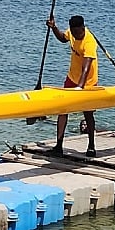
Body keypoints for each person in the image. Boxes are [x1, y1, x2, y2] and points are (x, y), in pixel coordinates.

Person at [46, 15, 98, 157]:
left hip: (88, 82)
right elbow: (63, 38)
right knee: (63, 110)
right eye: (73, 32)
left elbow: (86, 68)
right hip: (72, 77)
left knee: (88, 113)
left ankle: (92, 145)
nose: (75, 35)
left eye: (77, 32)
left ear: (82, 28)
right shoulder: (72, 32)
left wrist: (79, 88)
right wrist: (54, 27)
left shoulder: (89, 41)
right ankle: (58, 145)